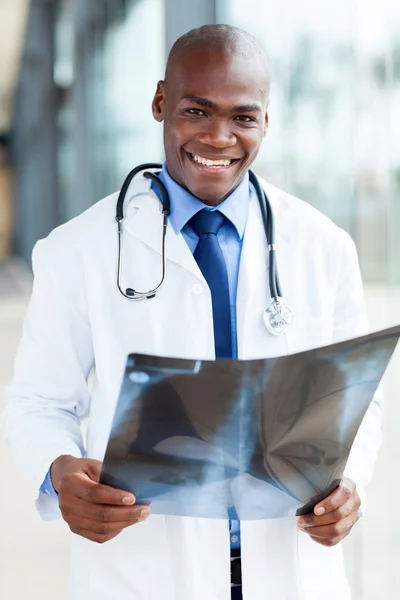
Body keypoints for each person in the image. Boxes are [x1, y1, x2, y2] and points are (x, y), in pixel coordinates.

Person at [3, 24, 382, 600]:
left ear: (265, 121)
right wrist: (59, 473)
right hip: (143, 570)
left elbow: (358, 398)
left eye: (243, 117)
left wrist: (351, 483)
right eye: (197, 111)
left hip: (292, 570)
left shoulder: (323, 246)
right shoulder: (75, 250)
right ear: (160, 103)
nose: (219, 137)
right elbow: (39, 400)